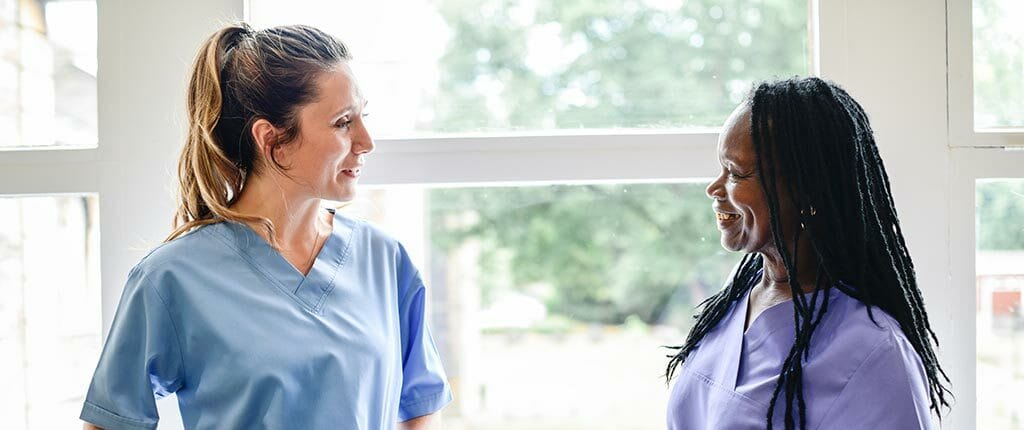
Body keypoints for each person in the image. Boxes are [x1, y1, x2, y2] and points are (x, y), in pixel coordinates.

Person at [80, 23, 452, 429]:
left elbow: (420, 404)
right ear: (272, 139)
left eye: (363, 116)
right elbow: (109, 421)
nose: (366, 140)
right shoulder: (171, 279)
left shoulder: (385, 260)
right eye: (343, 122)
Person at [665, 77, 951, 429]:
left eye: (737, 173)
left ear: (805, 193)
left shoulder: (876, 353)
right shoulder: (741, 293)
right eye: (721, 168)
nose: (714, 187)